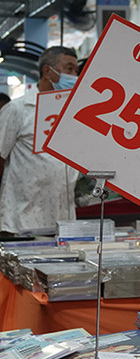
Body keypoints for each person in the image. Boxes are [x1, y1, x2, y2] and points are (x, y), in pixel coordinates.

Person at [0, 46, 80, 236]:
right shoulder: (18, 110)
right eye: (69, 69)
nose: (74, 76)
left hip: (63, 221)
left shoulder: (73, 113)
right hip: (21, 220)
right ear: (47, 71)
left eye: (76, 71)